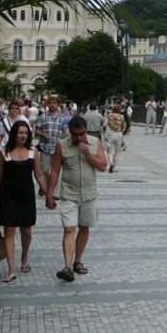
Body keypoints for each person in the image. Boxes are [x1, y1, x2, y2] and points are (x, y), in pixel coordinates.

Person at [46, 115, 108, 282]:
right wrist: (49, 193)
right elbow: (55, 171)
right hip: (69, 195)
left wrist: (88, 152)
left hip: (89, 194)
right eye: (75, 134)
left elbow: (103, 166)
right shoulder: (62, 146)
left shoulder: (95, 143)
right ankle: (67, 268)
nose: (79, 137)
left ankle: (77, 261)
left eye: (82, 134)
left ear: (86, 131)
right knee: (68, 229)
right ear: (70, 132)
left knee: (84, 227)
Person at [0, 122, 49, 283]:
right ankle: (11, 269)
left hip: (26, 195)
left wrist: (48, 195)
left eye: (26, 133)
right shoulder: (4, 153)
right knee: (9, 230)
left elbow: (39, 175)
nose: (23, 136)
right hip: (7, 195)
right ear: (14, 134)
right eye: (20, 133)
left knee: (26, 231)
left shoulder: (33, 152)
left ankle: (24, 255)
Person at [33, 97, 66, 197]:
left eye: (54, 103)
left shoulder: (62, 118)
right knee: (45, 170)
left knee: (57, 171)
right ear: (47, 104)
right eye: (50, 103)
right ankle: (45, 185)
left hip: (57, 148)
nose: (52, 105)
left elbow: (65, 132)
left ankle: (55, 192)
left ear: (57, 105)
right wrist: (43, 134)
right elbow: (36, 131)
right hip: (45, 147)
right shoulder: (43, 116)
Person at [104, 105, 126, 173]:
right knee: (117, 152)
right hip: (118, 135)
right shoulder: (121, 116)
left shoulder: (108, 116)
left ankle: (111, 163)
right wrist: (122, 130)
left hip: (110, 135)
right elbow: (124, 126)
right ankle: (114, 168)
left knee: (110, 151)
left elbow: (104, 125)